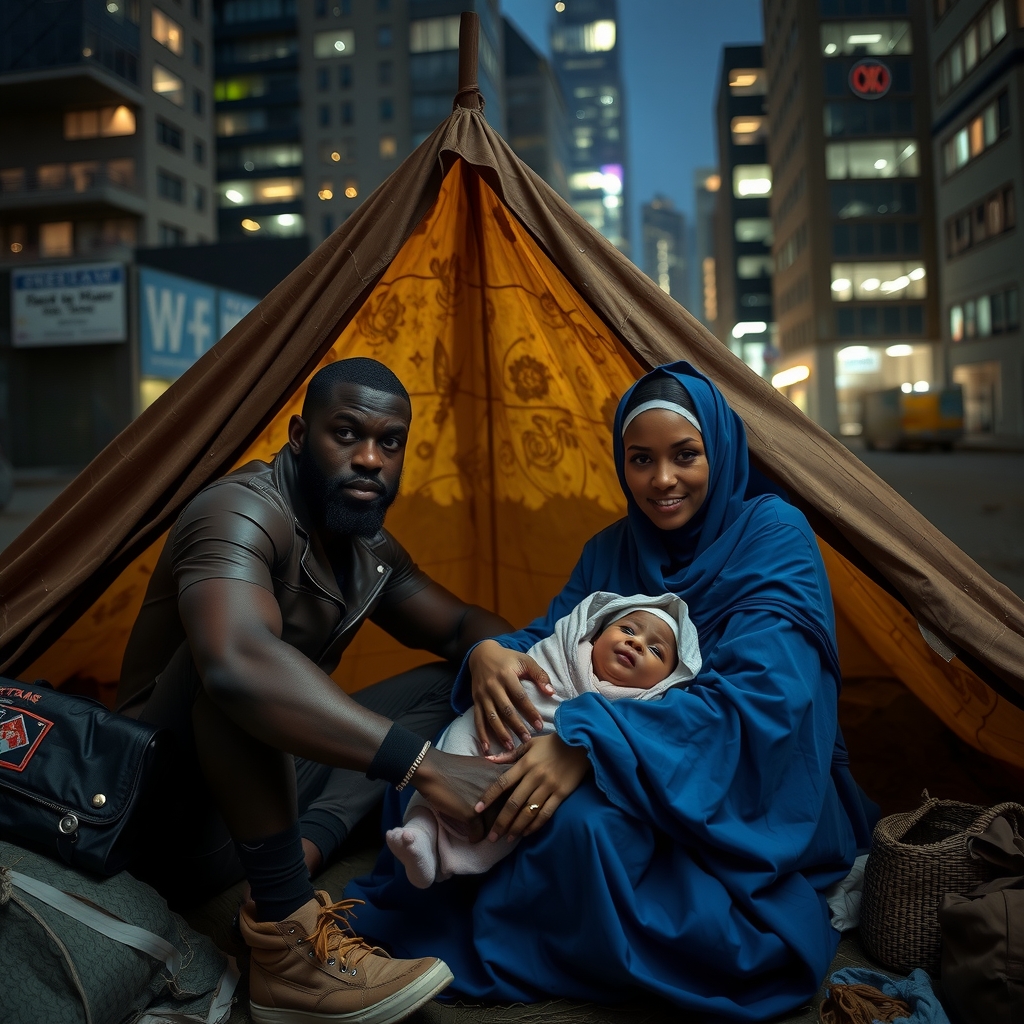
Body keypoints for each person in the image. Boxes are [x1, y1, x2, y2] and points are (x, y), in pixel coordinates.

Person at [347, 361, 879, 1020]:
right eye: (640, 459)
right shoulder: (615, 546)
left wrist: (587, 743)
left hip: (741, 783)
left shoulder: (773, 536)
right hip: (622, 744)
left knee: (580, 828)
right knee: (443, 778)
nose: (662, 481)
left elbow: (767, 704)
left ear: (720, 449)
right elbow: (555, 637)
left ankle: (536, 929)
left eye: (686, 456)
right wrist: (492, 654)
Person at [116, 357, 521, 1024]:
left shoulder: (369, 552)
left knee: (454, 679)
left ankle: (305, 844)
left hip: (257, 793)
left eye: (389, 443)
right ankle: (287, 949)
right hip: (161, 813)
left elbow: (461, 625)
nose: (370, 459)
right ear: (301, 436)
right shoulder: (239, 511)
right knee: (237, 666)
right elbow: (237, 664)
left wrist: (491, 654)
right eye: (347, 434)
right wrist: (427, 768)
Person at [387, 591, 701, 888]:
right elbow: (532, 659)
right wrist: (490, 651)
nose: (635, 643)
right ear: (597, 631)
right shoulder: (566, 650)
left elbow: (636, 734)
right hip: (496, 729)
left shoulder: (641, 704)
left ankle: (446, 863)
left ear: (666, 680)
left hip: (540, 763)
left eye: (656, 650)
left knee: (518, 815)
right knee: (447, 754)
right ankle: (421, 831)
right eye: (628, 629)